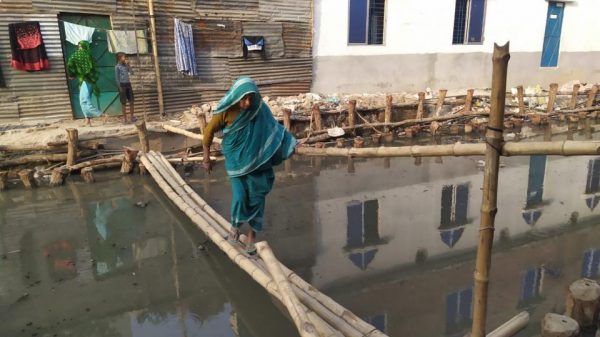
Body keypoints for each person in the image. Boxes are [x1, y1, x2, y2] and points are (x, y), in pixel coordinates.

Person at [202, 77, 297, 254]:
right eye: (243, 99)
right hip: (236, 162)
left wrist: (289, 144)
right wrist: (206, 159)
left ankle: (252, 236)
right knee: (239, 196)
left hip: (257, 162)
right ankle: (235, 227)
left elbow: (272, 129)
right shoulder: (225, 111)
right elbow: (208, 132)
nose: (247, 103)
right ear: (236, 97)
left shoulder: (258, 108)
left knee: (257, 196)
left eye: (250, 99)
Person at [67, 41, 102, 126]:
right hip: (83, 80)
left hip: (87, 80)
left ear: (85, 47)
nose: (80, 49)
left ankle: (101, 115)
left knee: (86, 101)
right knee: (82, 101)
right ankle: (87, 120)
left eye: (81, 47)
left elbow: (71, 62)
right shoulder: (88, 55)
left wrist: (72, 74)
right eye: (79, 47)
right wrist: (77, 74)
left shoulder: (84, 55)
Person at [115, 53, 135, 123]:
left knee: (131, 101)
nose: (125, 59)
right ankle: (125, 118)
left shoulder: (126, 65)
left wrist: (128, 65)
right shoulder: (117, 67)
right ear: (119, 58)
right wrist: (119, 87)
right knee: (124, 103)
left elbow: (132, 73)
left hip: (128, 84)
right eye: (124, 57)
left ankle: (132, 117)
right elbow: (117, 78)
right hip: (122, 85)